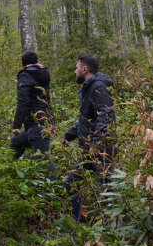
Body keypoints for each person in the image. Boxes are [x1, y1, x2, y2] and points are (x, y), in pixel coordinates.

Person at [60, 54, 116, 223]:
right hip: (89, 151)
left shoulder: (98, 87)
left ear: (84, 69)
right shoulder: (89, 88)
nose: (75, 71)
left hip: (100, 151)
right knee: (70, 184)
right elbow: (85, 119)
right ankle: (82, 225)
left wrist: (97, 143)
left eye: (76, 68)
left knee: (108, 193)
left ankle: (114, 232)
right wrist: (67, 136)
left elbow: (105, 115)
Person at [10, 51, 56, 177]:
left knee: (43, 160)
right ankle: (7, 172)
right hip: (44, 120)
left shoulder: (25, 76)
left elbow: (23, 102)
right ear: (37, 62)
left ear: (22, 63)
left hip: (38, 123)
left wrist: (16, 126)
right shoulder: (42, 73)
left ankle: (56, 190)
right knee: (16, 141)